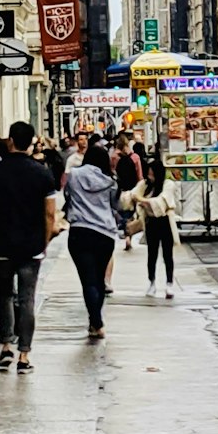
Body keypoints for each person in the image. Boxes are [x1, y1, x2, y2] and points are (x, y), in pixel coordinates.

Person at [0, 120, 57, 375]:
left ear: (10, 141)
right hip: (31, 245)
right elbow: (50, 215)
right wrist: (43, 242)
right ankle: (25, 354)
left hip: (2, 243)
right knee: (27, 299)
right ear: (32, 142)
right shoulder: (43, 173)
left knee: (5, 296)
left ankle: (6, 346)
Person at [64, 144, 122, 339]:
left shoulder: (74, 175)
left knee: (87, 280)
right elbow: (116, 205)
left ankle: (96, 321)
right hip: (104, 233)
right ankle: (95, 321)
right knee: (98, 279)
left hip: (80, 231)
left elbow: (67, 196)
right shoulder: (111, 181)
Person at [124, 156, 179, 298]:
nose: (150, 176)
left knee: (168, 254)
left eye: (152, 173)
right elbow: (132, 195)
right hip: (151, 223)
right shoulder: (145, 184)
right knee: (152, 254)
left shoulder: (168, 184)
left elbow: (160, 203)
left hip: (165, 221)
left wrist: (142, 200)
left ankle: (169, 283)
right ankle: (152, 282)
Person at [113, 135, 143, 252]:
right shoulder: (135, 157)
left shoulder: (114, 157)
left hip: (120, 190)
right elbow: (139, 175)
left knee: (123, 214)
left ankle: (125, 234)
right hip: (133, 190)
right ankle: (129, 236)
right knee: (131, 214)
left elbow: (113, 173)